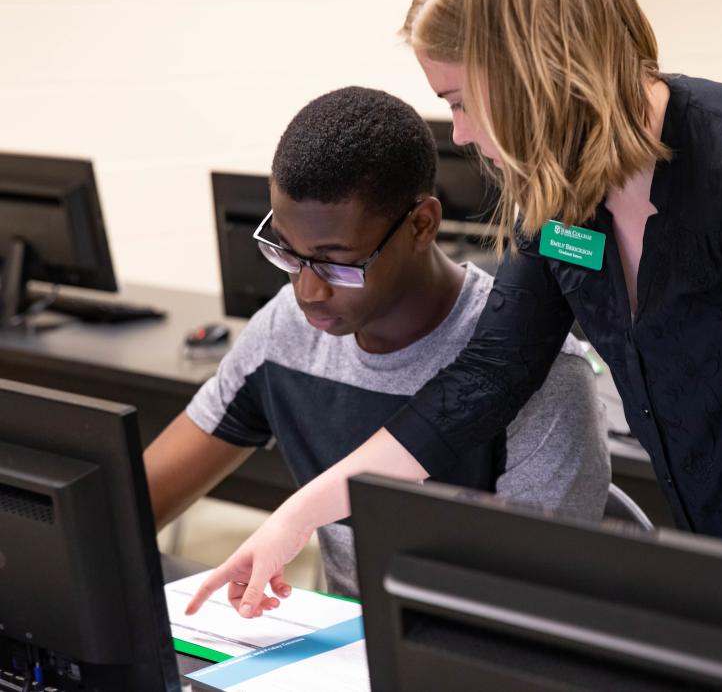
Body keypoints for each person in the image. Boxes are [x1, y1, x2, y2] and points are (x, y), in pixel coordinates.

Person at [187, 0, 722, 619]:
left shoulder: (719, 157)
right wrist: (298, 516)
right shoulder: (555, 195)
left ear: (539, 66)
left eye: (459, 100)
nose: (462, 134)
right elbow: (486, 377)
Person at [146, 85, 608, 606]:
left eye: (337, 262)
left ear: (422, 225)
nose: (307, 291)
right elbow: (138, 501)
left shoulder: (544, 374)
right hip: (352, 652)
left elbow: (542, 608)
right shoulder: (283, 332)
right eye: (288, 255)